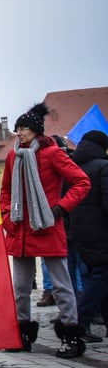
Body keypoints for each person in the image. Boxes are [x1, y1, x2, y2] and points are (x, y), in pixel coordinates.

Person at [0, 103, 90, 357]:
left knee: (62, 286)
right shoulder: (12, 156)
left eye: (24, 128)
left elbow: (82, 182)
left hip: (47, 227)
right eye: (17, 128)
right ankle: (22, 333)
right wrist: (7, 216)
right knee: (19, 288)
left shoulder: (53, 155)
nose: (19, 133)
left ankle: (71, 334)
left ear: (36, 131)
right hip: (20, 230)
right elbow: (5, 191)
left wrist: (61, 209)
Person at [70, 130, 108, 341]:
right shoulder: (103, 167)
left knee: (99, 276)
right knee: (101, 276)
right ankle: (81, 320)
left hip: (79, 232)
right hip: (101, 232)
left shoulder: (74, 167)